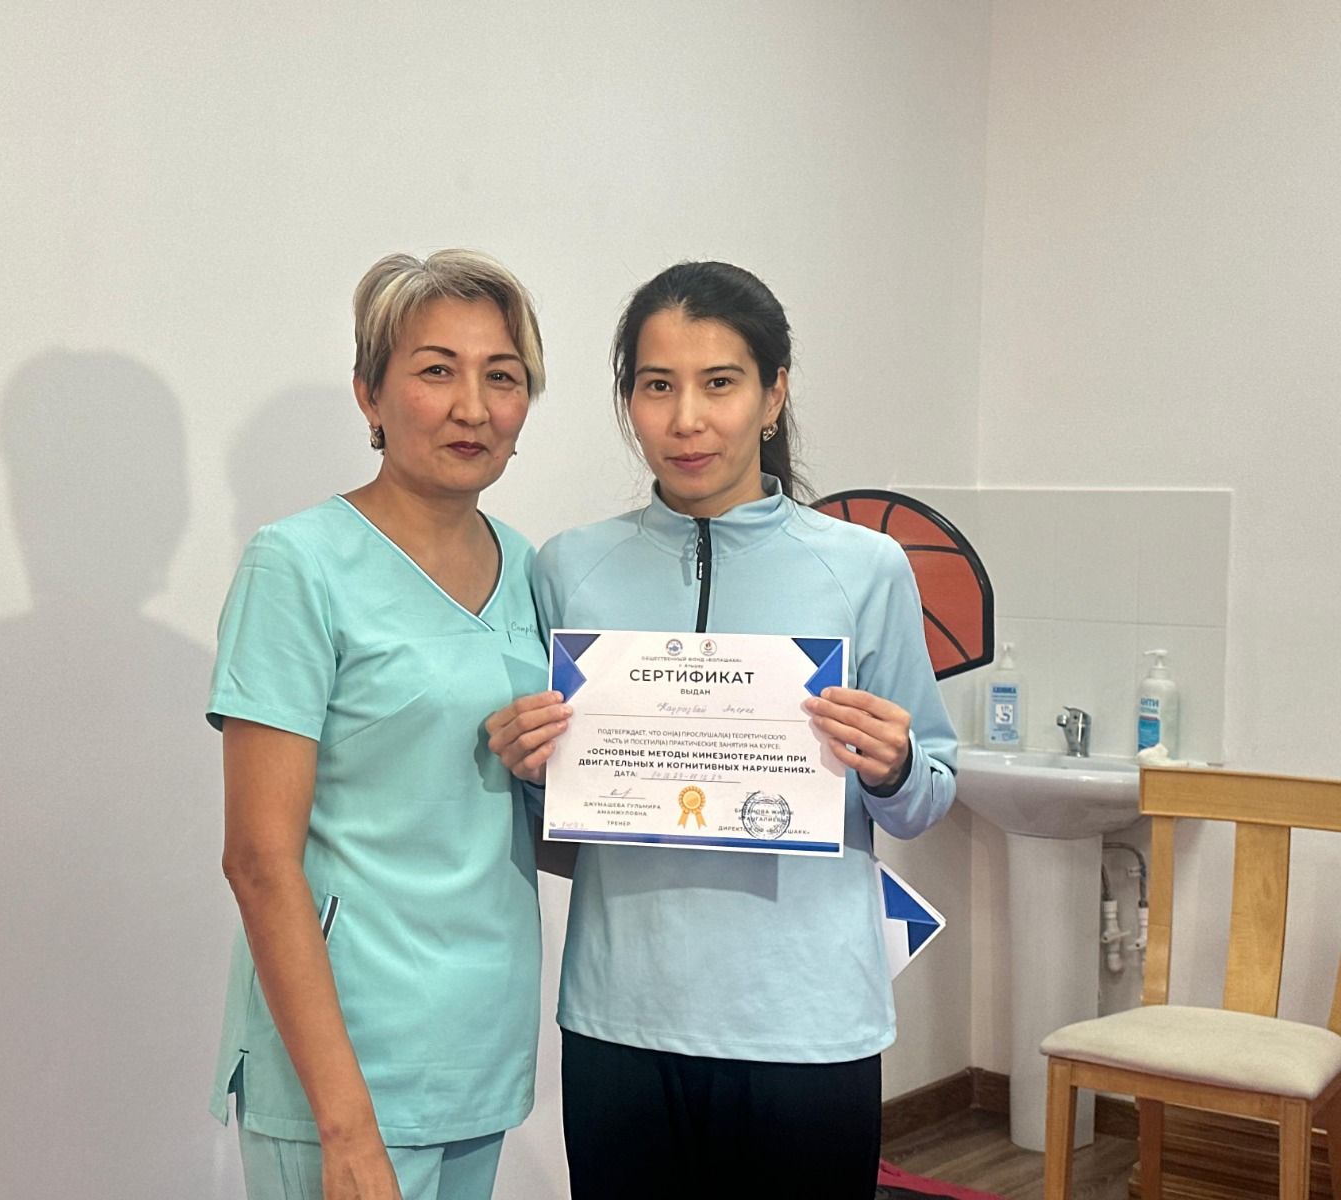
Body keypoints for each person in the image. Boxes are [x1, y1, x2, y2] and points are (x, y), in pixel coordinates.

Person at [486, 261, 958, 1198]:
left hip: (808, 1023)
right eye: (658, 386)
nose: (687, 419)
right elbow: (556, 826)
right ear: (629, 402)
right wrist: (534, 768)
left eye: (720, 383)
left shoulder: (865, 568)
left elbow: (927, 797)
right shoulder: (569, 568)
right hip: (620, 1018)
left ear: (773, 394)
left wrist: (895, 763)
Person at [210, 250, 549, 1200]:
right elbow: (258, 861)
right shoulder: (298, 565)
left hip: (480, 1049)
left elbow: (540, 822)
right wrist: (345, 1123)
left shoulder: (531, 570)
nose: (473, 407)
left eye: (503, 376)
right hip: (346, 1069)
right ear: (370, 393)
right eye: (437, 370)